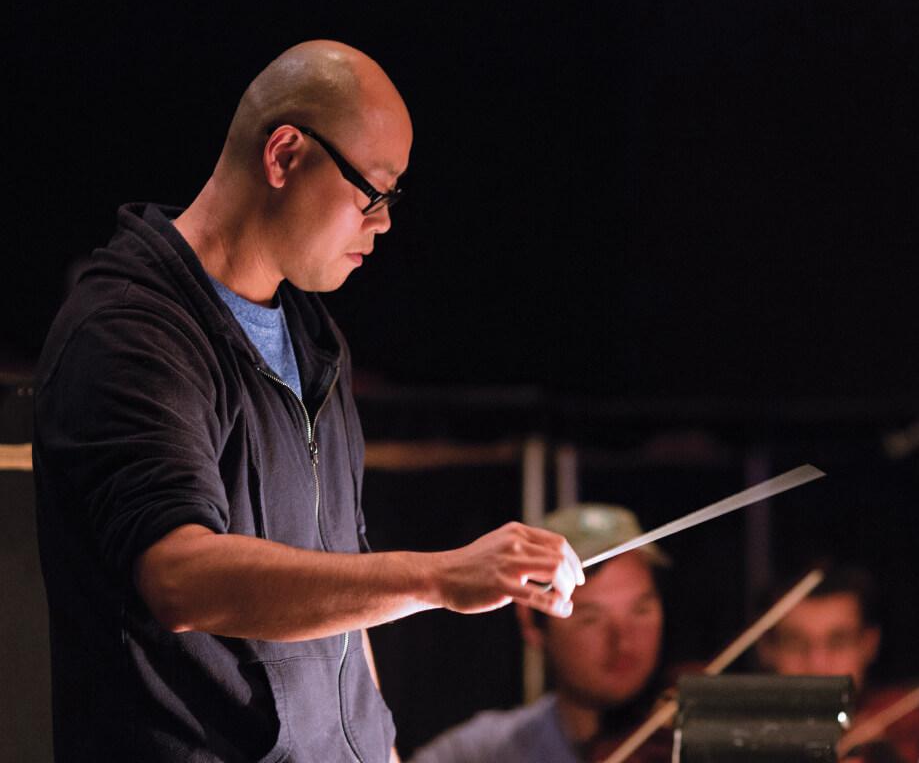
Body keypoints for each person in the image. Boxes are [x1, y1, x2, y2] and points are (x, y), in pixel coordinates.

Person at [32, 40, 585, 763]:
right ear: (285, 155)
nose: (383, 221)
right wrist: (440, 576)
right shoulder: (129, 331)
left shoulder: (313, 337)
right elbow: (179, 577)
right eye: (372, 190)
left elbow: (340, 584)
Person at [410, 504, 673, 763]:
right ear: (533, 625)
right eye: (590, 618)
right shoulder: (483, 752)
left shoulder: (683, 734)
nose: (622, 640)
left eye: (641, 609)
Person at [757, 566, 919, 763]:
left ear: (869, 644)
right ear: (766, 649)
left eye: (838, 642)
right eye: (796, 643)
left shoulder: (906, 729)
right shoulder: (734, 741)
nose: (818, 666)